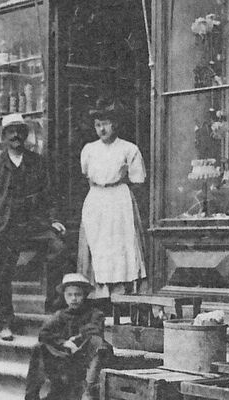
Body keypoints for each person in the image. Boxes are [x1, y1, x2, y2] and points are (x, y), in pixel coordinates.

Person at [0, 117, 68, 341]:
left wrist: (54, 219)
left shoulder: (37, 162)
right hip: (6, 226)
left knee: (58, 248)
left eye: (19, 131)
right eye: (10, 132)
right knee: (3, 275)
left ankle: (55, 308)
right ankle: (5, 322)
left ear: (26, 135)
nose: (15, 136)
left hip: (34, 224)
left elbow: (50, 194)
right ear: (4, 136)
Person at [77, 102, 147, 305]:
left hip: (119, 199)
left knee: (120, 243)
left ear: (115, 125)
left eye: (106, 124)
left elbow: (138, 180)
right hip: (97, 198)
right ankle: (98, 294)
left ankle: (122, 292)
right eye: (98, 125)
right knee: (98, 243)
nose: (102, 129)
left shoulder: (129, 148)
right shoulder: (89, 149)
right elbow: (86, 174)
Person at [24, 273, 110, 400]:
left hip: (85, 359)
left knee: (99, 344)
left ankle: (88, 393)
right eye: (69, 295)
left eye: (78, 294)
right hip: (65, 359)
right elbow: (44, 333)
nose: (73, 299)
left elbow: (95, 331)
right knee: (39, 347)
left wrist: (76, 339)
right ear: (64, 296)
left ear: (85, 295)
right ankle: (31, 396)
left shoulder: (95, 314)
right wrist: (63, 343)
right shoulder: (60, 315)